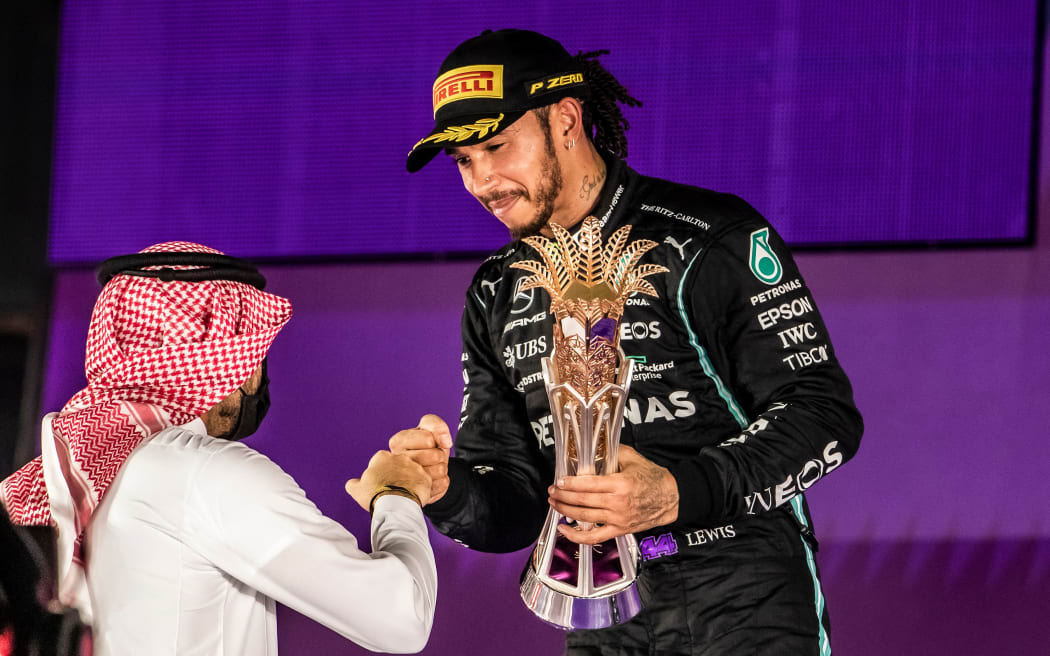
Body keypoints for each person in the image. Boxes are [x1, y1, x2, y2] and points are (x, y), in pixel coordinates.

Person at [397, 29, 863, 655]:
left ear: (565, 119)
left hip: (741, 583)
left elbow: (824, 415)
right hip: (595, 599)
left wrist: (675, 491)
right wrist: (444, 489)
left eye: (497, 147)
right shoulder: (495, 291)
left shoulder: (709, 237)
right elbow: (513, 501)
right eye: (463, 161)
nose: (483, 180)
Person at [0, 241, 439, 655]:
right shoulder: (205, 473)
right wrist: (397, 496)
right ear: (232, 362)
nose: (258, 380)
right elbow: (400, 619)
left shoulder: (62, 472)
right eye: (255, 359)